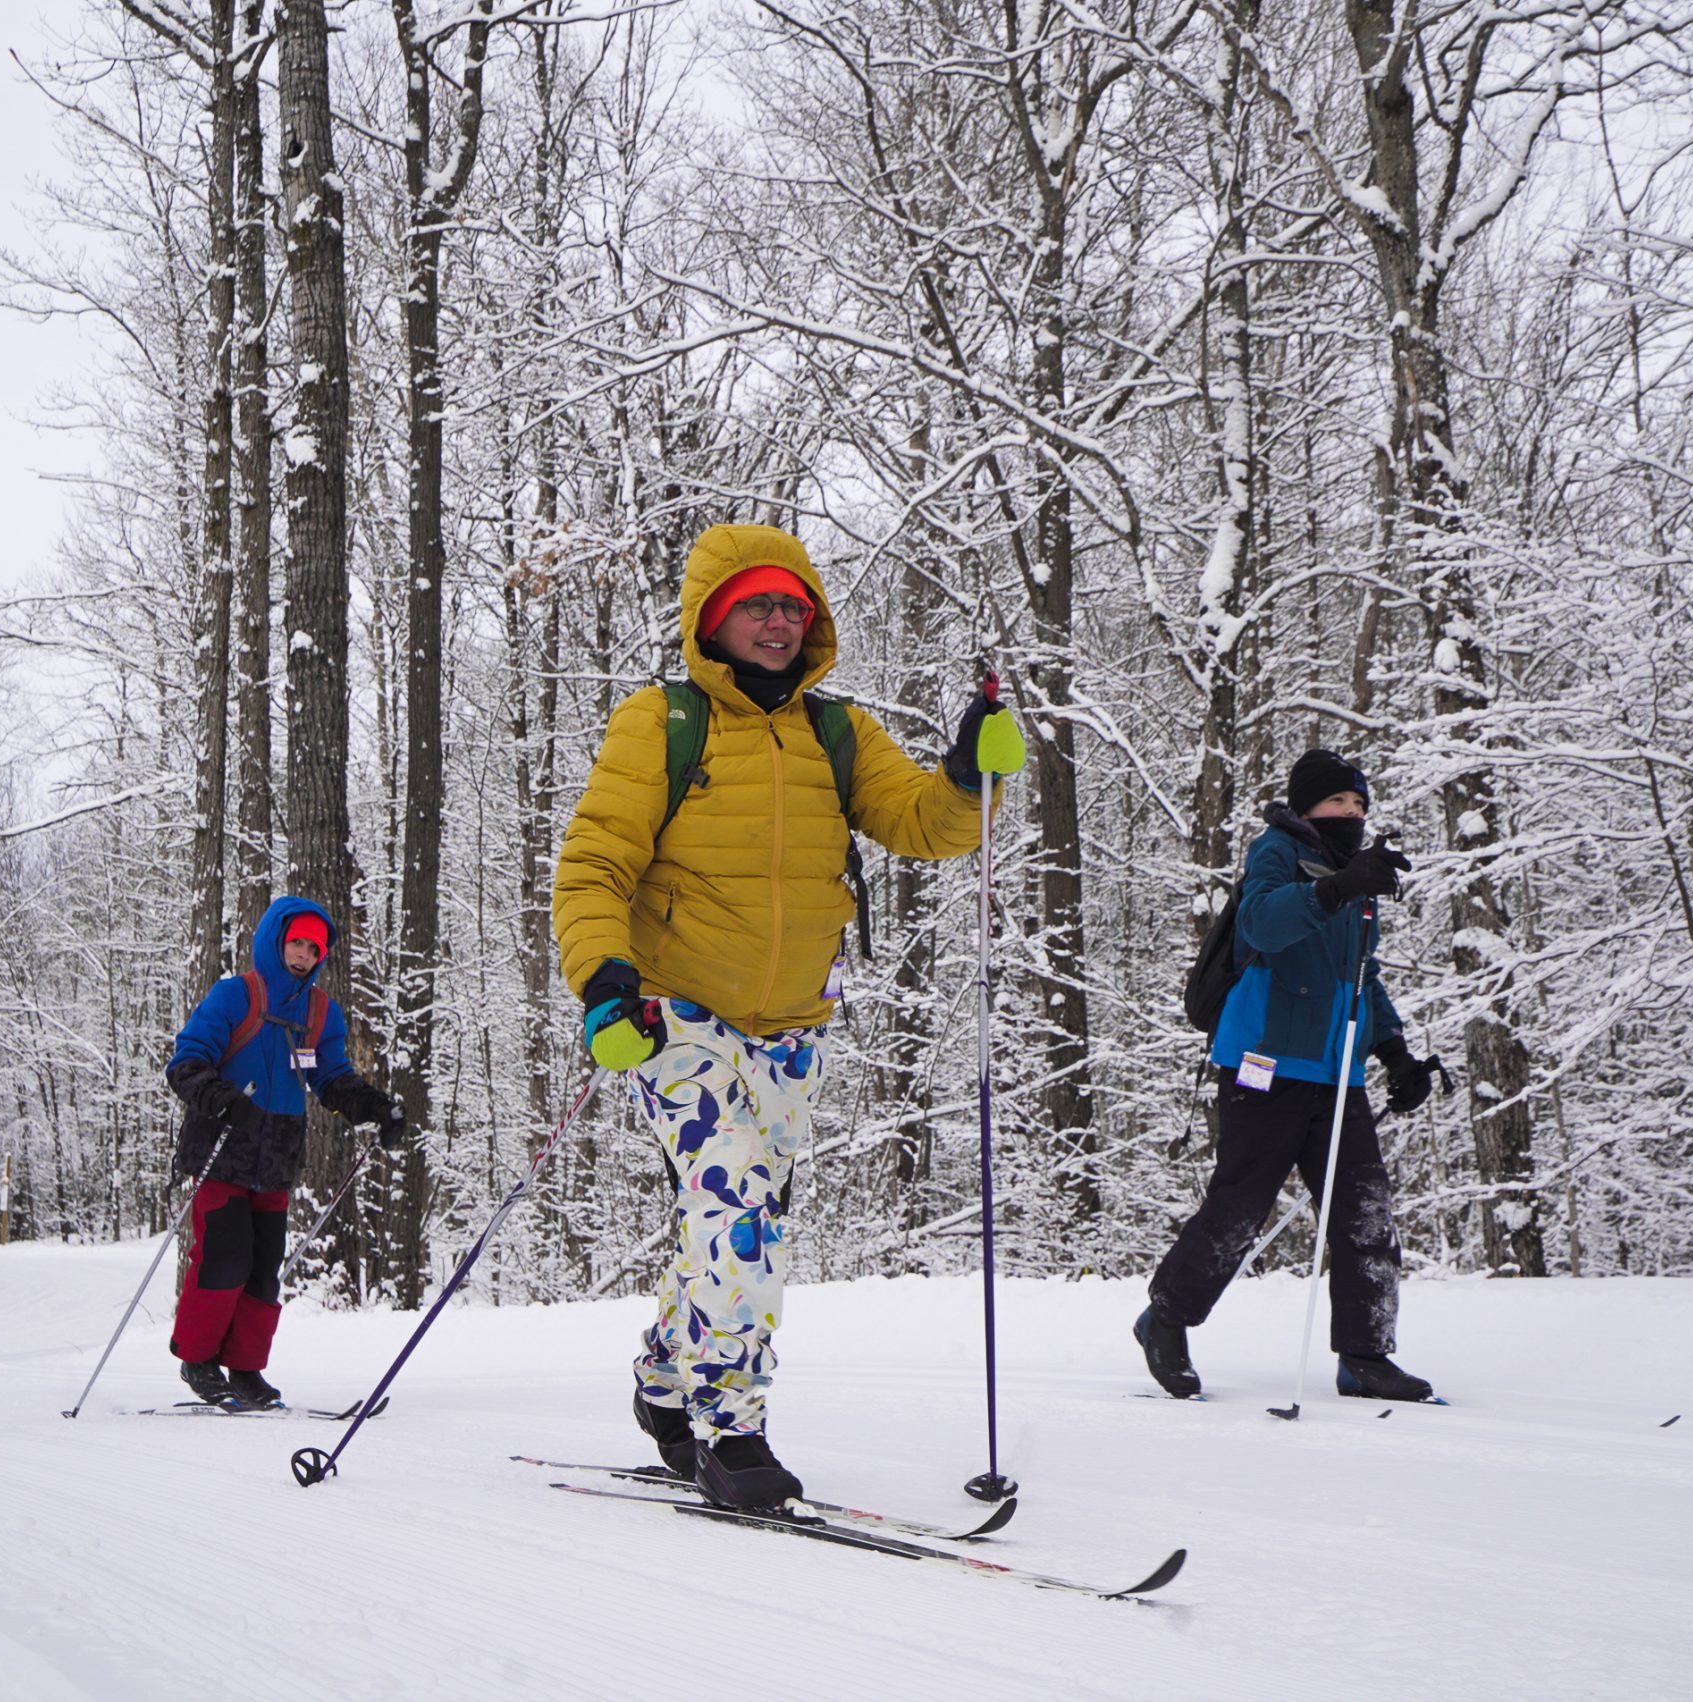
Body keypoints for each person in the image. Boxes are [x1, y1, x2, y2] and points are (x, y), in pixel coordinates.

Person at [552, 522, 1023, 1512]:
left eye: (791, 606)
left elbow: (922, 825)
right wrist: (602, 982)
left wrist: (966, 772)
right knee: (734, 1216)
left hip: (794, 1027)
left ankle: (663, 1382)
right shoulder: (662, 722)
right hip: (672, 1015)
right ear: (713, 620)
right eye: (756, 605)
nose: (776, 621)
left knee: (739, 1218)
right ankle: (734, 1430)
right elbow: (595, 862)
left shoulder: (834, 731)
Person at [1135, 748, 1445, 1403]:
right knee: (1239, 1209)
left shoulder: (1356, 875)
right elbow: (1261, 922)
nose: (1352, 814)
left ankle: (1366, 1355)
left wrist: (1396, 1054)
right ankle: (1165, 1318)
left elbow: (1365, 977)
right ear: (1307, 807)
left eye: (1359, 805)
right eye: (1339, 803)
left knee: (1366, 1214)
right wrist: (1336, 887)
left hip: (1337, 1074)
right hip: (1263, 1064)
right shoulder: (1276, 849)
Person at [163, 896, 405, 1409]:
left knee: (263, 1268)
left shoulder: (320, 1013)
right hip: (224, 1147)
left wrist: (375, 1108)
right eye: (296, 941)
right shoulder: (235, 996)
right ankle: (199, 1361)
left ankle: (246, 1370)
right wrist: (215, 1095)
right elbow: (187, 1061)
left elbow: (331, 1079)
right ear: (277, 942)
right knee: (223, 1258)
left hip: (275, 1158)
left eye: (313, 947)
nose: (303, 954)